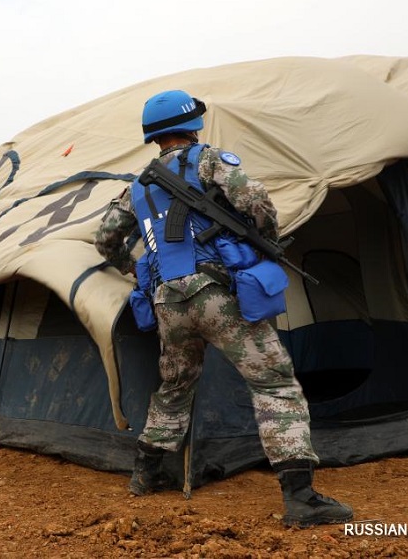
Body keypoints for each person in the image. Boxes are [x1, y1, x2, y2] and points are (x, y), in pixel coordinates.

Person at [94, 90, 353, 527]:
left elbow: (105, 240)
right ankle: (301, 497)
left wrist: (136, 269)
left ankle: (145, 474)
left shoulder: (137, 187)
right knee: (275, 384)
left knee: (175, 387)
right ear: (191, 126)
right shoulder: (210, 160)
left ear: (154, 138)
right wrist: (264, 240)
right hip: (215, 291)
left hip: (167, 303)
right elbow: (257, 204)